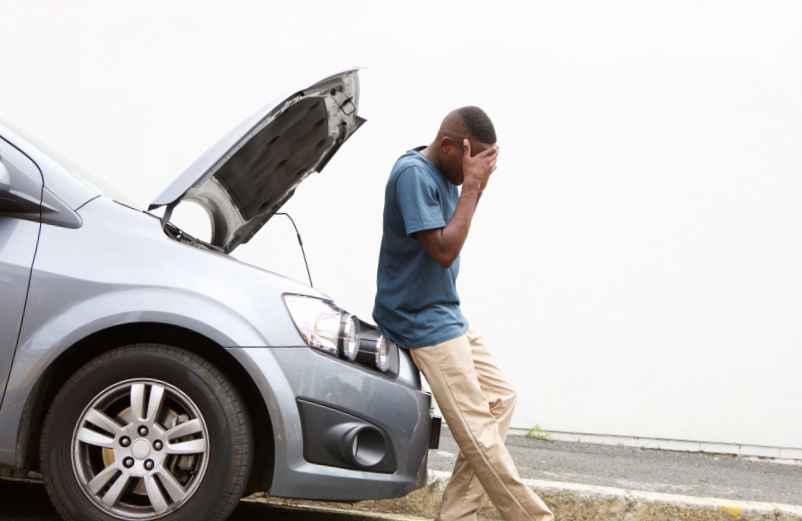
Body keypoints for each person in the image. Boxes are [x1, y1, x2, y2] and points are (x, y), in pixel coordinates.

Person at [373, 106, 554, 521]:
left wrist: (473, 183)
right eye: (475, 161)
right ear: (451, 146)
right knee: (477, 427)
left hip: (444, 313)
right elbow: (441, 250)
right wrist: (472, 187)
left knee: (501, 397)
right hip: (417, 319)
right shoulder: (413, 175)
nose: (479, 172)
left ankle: (457, 514)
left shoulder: (448, 172)